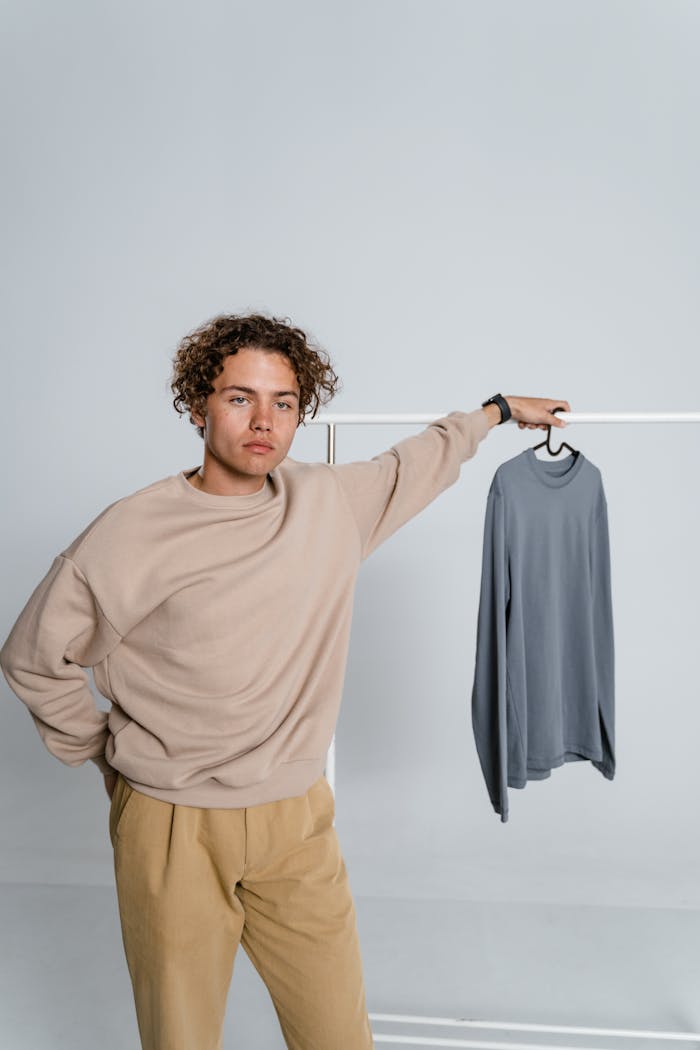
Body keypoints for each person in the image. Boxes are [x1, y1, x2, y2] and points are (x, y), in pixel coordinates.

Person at [0, 311, 570, 1050]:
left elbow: (416, 462)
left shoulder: (329, 504)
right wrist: (103, 755)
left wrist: (493, 412)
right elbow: (31, 655)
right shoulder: (132, 530)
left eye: (285, 403)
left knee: (337, 1033)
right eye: (240, 398)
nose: (264, 421)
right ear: (199, 404)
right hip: (173, 826)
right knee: (180, 1037)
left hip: (297, 821)